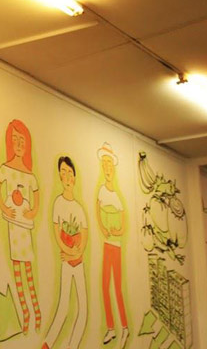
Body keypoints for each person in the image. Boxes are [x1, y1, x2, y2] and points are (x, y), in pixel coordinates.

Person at [0, 119, 41, 334]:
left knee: (28, 269)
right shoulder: (5, 168)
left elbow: (36, 194)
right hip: (13, 223)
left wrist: (34, 210)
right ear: (10, 142)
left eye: (22, 140)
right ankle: (26, 313)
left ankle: (36, 312)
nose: (19, 144)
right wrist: (4, 206)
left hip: (25, 224)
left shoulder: (29, 175)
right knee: (17, 270)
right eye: (15, 139)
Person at [42, 156, 88, 349]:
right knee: (63, 308)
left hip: (78, 262)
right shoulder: (58, 203)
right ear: (60, 177)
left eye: (70, 172)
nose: (67, 176)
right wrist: (69, 253)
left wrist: (74, 254)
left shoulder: (79, 208)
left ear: (74, 178)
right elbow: (57, 234)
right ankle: (47, 344)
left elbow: (84, 238)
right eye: (63, 172)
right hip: (67, 262)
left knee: (83, 309)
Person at [96, 142, 128, 348]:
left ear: (114, 168)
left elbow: (123, 225)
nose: (107, 167)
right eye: (104, 163)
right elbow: (97, 210)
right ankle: (110, 327)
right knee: (104, 286)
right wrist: (102, 227)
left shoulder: (117, 196)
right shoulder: (101, 191)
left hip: (116, 246)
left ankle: (124, 327)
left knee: (117, 288)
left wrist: (117, 231)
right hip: (106, 244)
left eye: (109, 164)